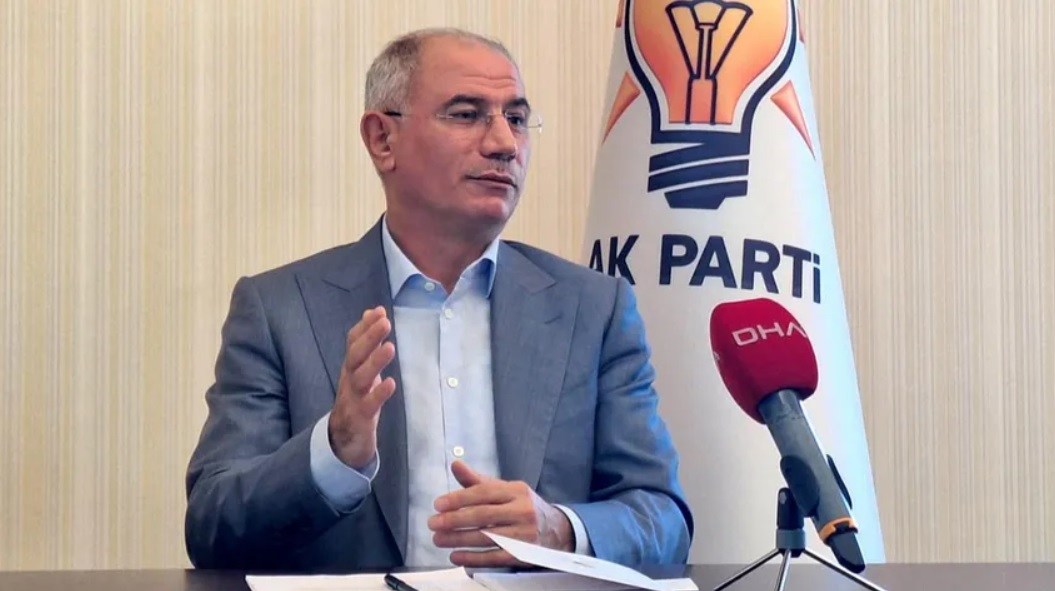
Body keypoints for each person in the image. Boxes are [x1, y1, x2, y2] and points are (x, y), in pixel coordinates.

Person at [184, 27, 693, 572]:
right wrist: (333, 452)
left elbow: (663, 519)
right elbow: (213, 527)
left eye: (516, 118)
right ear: (383, 139)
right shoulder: (280, 309)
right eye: (467, 114)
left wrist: (561, 529)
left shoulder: (594, 309)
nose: (504, 143)